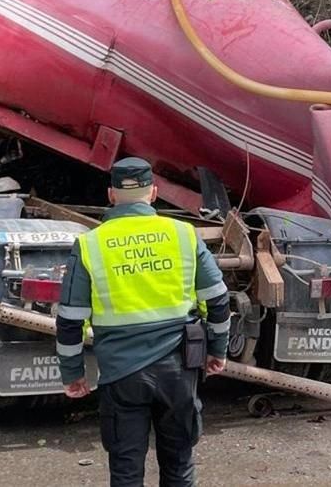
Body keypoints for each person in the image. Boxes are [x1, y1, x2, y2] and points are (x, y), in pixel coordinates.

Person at [56, 157, 231, 487]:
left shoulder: (91, 244)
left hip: (121, 374)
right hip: (179, 370)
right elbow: (218, 300)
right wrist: (217, 349)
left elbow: (69, 319)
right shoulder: (183, 235)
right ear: (154, 192)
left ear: (111, 195)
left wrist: (72, 372)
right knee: (178, 464)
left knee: (125, 470)